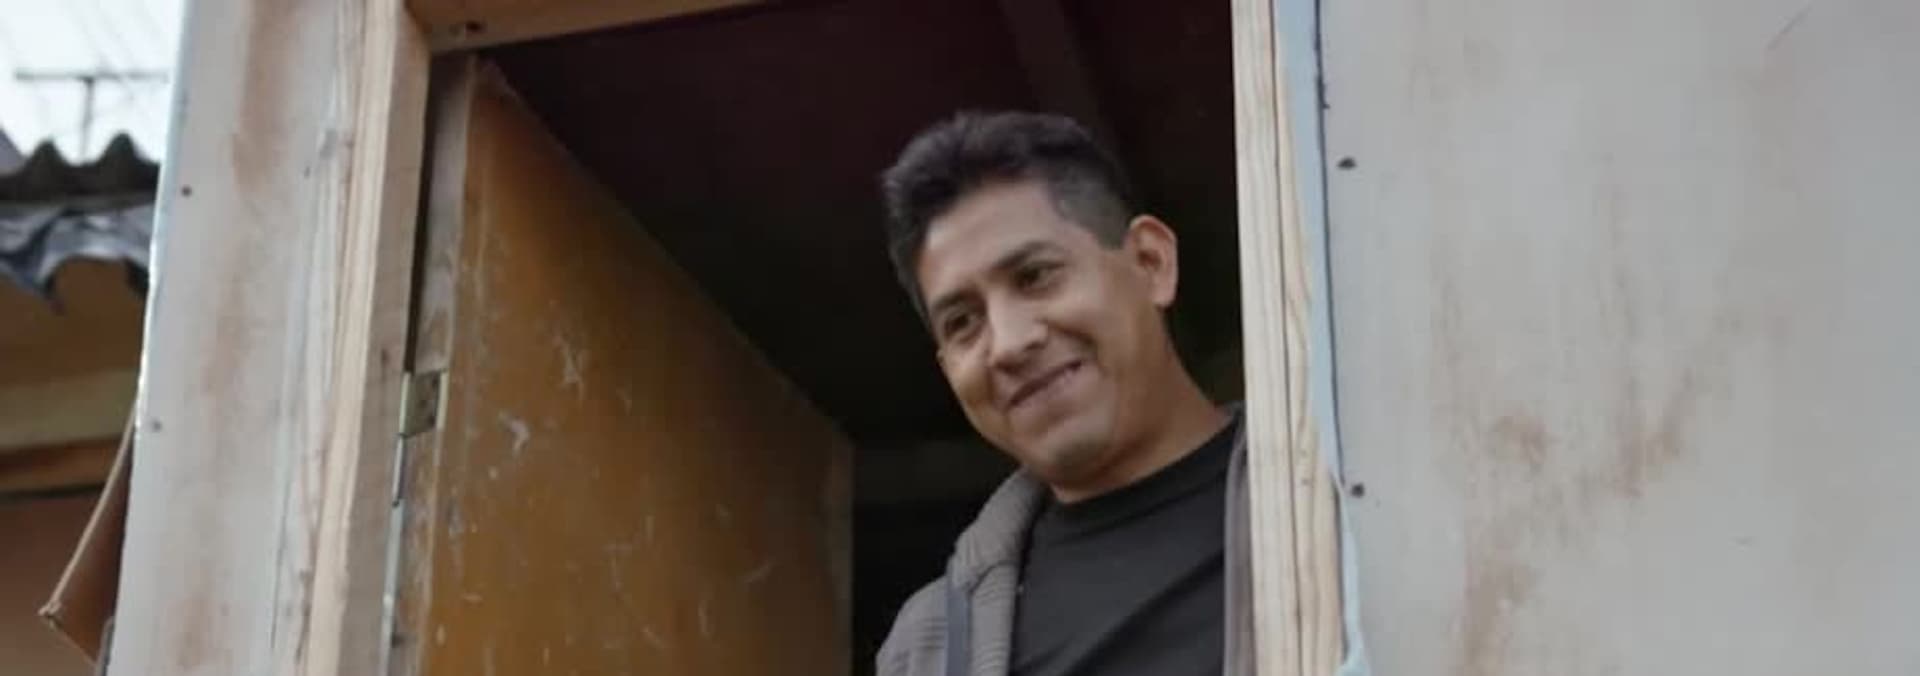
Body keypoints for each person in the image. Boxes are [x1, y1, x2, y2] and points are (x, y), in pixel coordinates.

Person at [875, 111, 1255, 676]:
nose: (1008, 344)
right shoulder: (927, 651)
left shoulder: (1346, 499)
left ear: (1151, 263)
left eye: (1035, 276)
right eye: (962, 322)